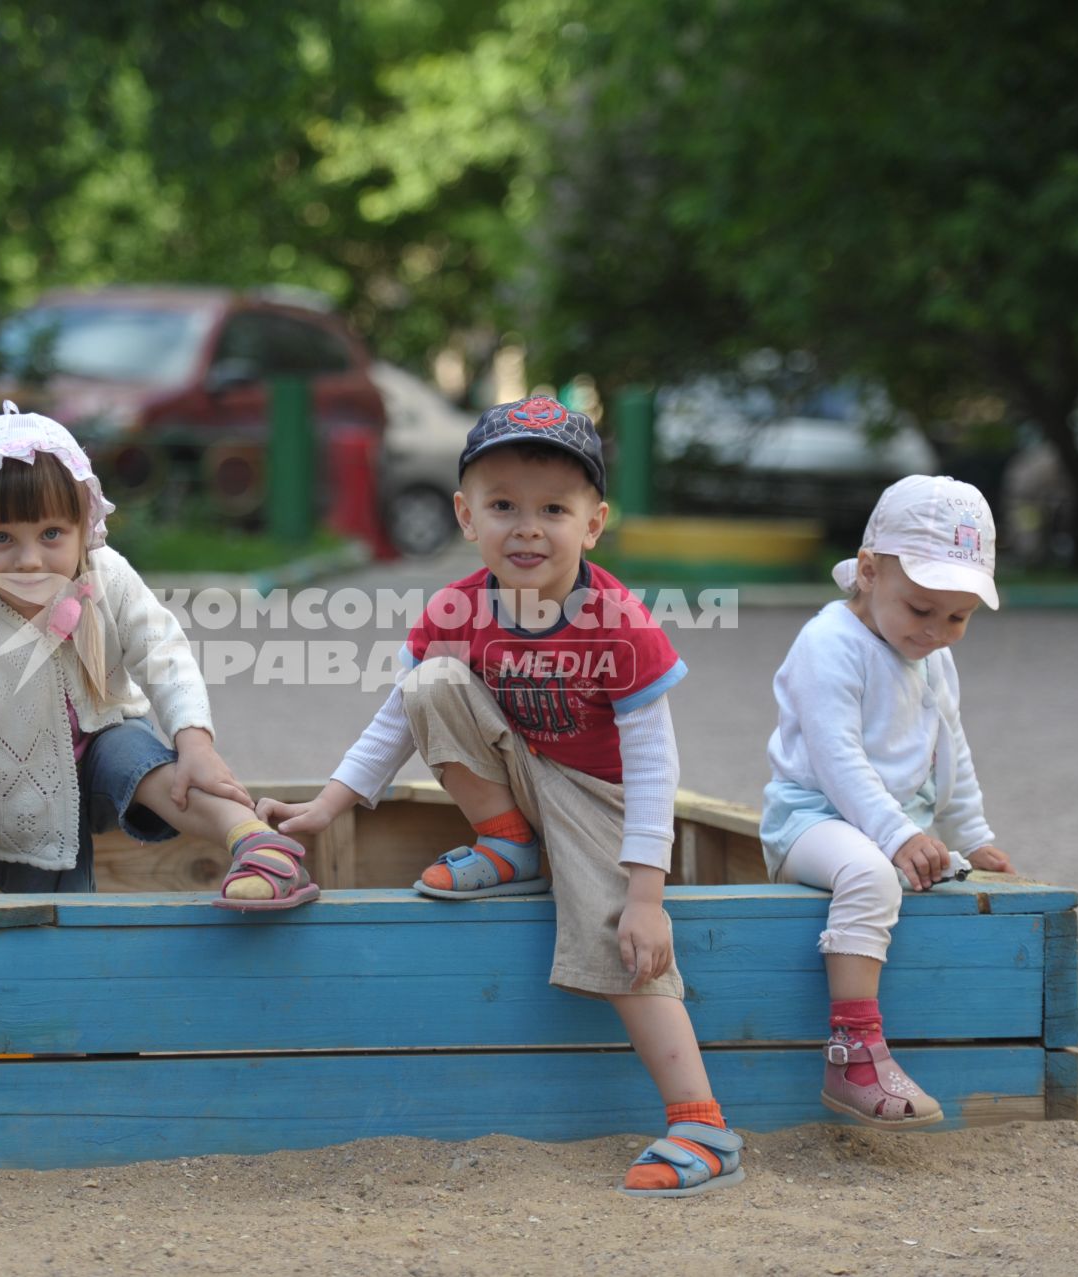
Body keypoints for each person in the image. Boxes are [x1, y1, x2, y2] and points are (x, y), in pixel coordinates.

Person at [258, 396, 744, 1198]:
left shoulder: (615, 620)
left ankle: (702, 1121)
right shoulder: (456, 608)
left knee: (615, 932)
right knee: (432, 681)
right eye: (504, 505)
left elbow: (655, 762)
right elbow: (397, 716)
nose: (527, 527)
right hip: (524, 779)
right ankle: (507, 840)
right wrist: (326, 806)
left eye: (553, 507)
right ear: (465, 516)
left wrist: (646, 893)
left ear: (593, 523)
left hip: (600, 796)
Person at [0, 406, 317, 908]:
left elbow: (163, 650)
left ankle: (258, 844)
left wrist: (194, 740)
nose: (29, 559)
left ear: (82, 524)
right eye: (2, 538)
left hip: (108, 747)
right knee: (56, 922)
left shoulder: (104, 574)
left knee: (153, 765)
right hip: (18, 802)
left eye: (51, 534)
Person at [760, 474, 1017, 1128]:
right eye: (923, 609)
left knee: (939, 872)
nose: (936, 631)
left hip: (889, 826)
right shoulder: (830, 644)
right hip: (813, 822)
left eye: (958, 617)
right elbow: (837, 761)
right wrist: (898, 835)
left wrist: (971, 830)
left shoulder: (930, 657)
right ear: (870, 572)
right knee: (872, 874)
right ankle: (853, 1055)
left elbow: (948, 746)